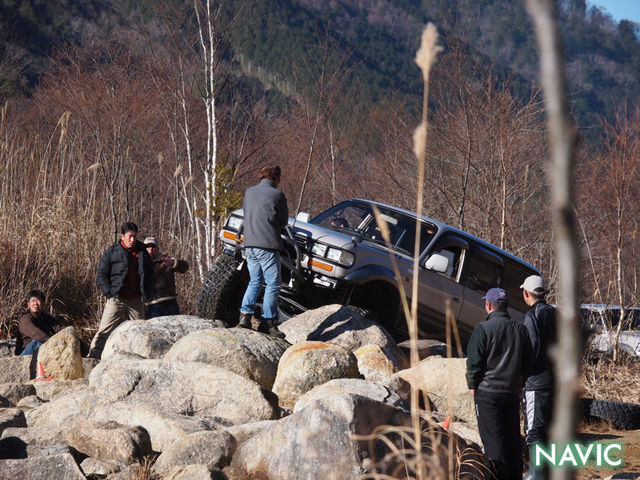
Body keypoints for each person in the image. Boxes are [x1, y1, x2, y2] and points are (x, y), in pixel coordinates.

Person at [466, 288, 531, 480]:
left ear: (488, 305)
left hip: (487, 394)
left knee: (494, 443)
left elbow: (474, 363)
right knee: (512, 441)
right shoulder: (521, 329)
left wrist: (472, 385)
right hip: (511, 394)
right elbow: (528, 363)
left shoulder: (482, 329)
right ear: (507, 306)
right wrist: (519, 383)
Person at [88, 222, 155, 359]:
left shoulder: (142, 252)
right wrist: (108, 293)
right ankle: (93, 357)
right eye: (129, 237)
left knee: (141, 332)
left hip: (136, 300)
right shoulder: (112, 252)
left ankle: (142, 358)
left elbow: (150, 274)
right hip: (116, 298)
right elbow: (101, 274)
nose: (132, 240)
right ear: (122, 236)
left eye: (134, 237)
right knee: (104, 330)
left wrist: (147, 293)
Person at [237, 165, 288, 338]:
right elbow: (283, 221)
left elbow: (247, 213)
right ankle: (268, 322)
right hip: (267, 244)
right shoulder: (277, 195)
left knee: (255, 281)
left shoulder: (249, 192)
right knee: (273, 283)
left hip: (249, 243)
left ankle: (245, 317)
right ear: (276, 178)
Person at [521, 275, 557, 480]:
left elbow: (531, 349)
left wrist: (524, 373)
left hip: (536, 382)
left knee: (534, 428)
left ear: (527, 293)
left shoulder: (531, 316)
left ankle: (536, 473)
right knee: (548, 427)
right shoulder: (555, 314)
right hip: (555, 381)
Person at [143, 236, 189, 319]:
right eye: (148, 247)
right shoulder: (140, 264)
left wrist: (173, 262)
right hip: (150, 306)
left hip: (169, 303)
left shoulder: (165, 261)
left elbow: (185, 267)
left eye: (153, 247)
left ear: (157, 249)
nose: (150, 249)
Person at [17, 290, 63, 356]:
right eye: (33, 301)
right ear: (28, 304)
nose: (35, 303)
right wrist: (54, 343)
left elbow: (60, 328)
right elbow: (36, 335)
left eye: (38, 300)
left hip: (41, 349)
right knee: (36, 343)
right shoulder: (25, 319)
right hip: (25, 354)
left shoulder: (46, 318)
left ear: (43, 303)